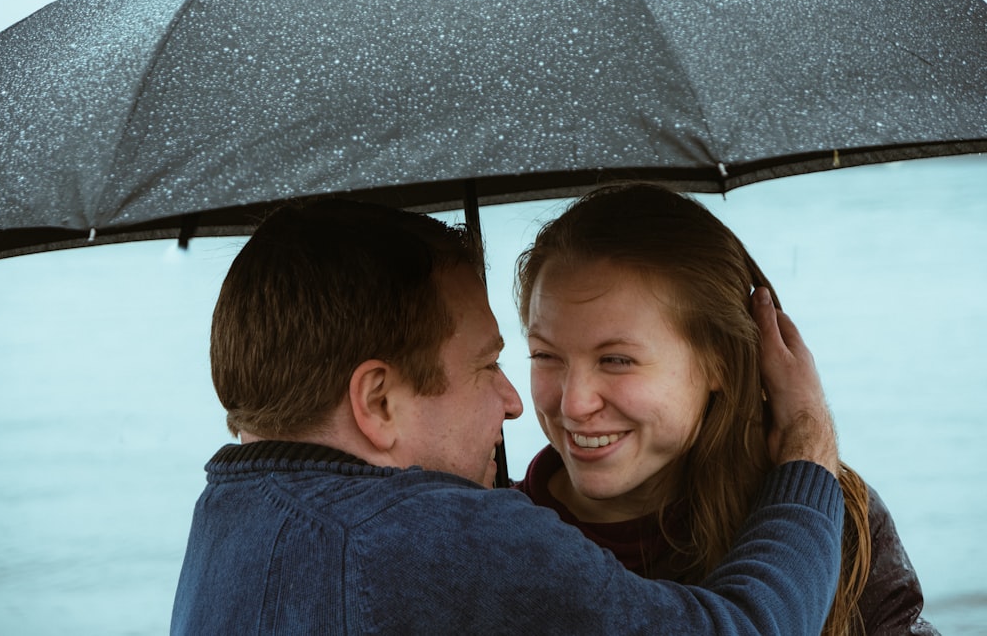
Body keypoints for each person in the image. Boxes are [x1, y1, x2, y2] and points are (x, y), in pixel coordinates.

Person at [171, 197, 844, 635]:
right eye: (487, 364)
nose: (515, 399)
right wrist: (809, 455)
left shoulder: (225, 521)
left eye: (616, 359)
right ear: (377, 401)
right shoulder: (439, 535)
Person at [515, 183, 938, 636]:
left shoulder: (834, 517)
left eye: (616, 360)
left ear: (719, 360)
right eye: (545, 355)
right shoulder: (491, 545)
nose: (574, 403)